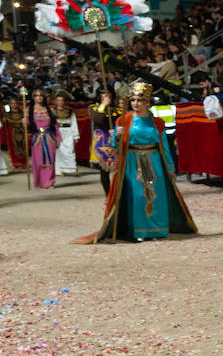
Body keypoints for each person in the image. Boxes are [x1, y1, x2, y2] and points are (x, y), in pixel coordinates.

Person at [86, 82, 197, 243]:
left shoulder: (157, 122)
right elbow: (115, 146)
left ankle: (157, 230)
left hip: (154, 161)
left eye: (139, 100)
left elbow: (164, 146)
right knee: (138, 196)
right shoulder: (124, 120)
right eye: (133, 100)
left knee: (155, 195)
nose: (135, 103)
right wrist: (117, 136)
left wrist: (171, 168)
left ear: (147, 102)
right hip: (132, 162)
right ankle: (139, 230)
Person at [27, 89, 60, 189]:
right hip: (37, 138)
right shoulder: (30, 110)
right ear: (34, 98)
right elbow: (28, 126)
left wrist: (58, 138)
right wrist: (24, 122)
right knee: (38, 161)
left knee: (50, 160)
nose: (39, 97)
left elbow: (55, 126)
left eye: (41, 95)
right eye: (37, 95)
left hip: (49, 138)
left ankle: (49, 182)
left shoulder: (49, 110)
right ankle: (39, 182)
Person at [90, 87, 119, 194]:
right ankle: (108, 195)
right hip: (102, 142)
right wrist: (103, 105)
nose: (106, 96)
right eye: (103, 94)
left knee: (118, 169)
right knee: (104, 170)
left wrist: (116, 130)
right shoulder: (94, 108)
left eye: (108, 94)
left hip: (115, 140)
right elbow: (99, 119)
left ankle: (117, 193)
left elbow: (120, 122)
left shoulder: (117, 110)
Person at [51, 91, 79, 176]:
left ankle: (70, 169)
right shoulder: (52, 112)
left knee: (69, 151)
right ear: (55, 101)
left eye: (62, 100)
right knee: (58, 152)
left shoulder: (70, 112)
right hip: (57, 132)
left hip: (68, 133)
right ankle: (59, 170)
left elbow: (74, 123)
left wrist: (75, 136)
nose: (60, 102)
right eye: (58, 100)